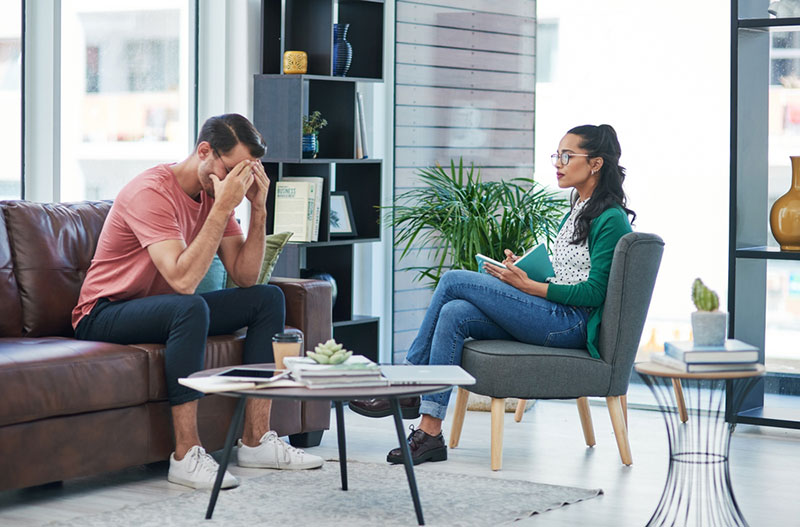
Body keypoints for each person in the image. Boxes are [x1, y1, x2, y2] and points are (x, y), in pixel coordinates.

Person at [350, 124, 636, 465]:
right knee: (455, 312)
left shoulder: (611, 218)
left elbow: (594, 292)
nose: (557, 163)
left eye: (566, 155)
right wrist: (525, 271)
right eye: (556, 155)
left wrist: (526, 286)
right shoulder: (579, 209)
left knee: (454, 280)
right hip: (553, 312)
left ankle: (409, 383)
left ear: (595, 164)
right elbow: (568, 275)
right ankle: (429, 433)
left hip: (571, 324)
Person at [72, 114, 323, 489]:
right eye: (233, 170)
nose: (239, 182)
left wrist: (258, 208)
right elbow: (183, 280)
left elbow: (246, 276)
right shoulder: (152, 192)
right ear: (204, 151)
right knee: (191, 306)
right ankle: (186, 455)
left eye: (248, 173)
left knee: (267, 298)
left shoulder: (216, 193)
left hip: (164, 309)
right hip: (104, 312)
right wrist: (223, 208)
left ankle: (256, 440)